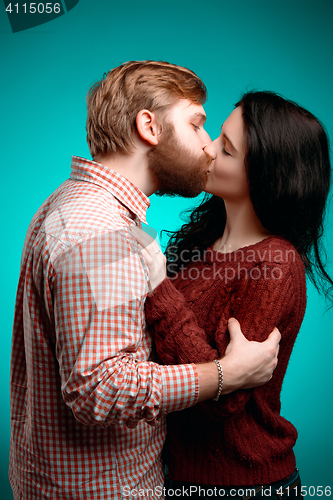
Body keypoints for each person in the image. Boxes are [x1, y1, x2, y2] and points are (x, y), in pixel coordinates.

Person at [9, 62, 280, 500]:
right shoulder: (100, 232)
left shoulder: (69, 203)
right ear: (148, 126)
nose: (209, 148)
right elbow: (100, 389)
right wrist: (225, 374)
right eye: (197, 125)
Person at [132, 91, 332, 498]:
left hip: (245, 484)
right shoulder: (204, 244)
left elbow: (222, 402)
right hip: (179, 476)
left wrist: (157, 286)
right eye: (217, 136)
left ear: (264, 174)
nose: (206, 148)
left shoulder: (275, 265)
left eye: (226, 149)